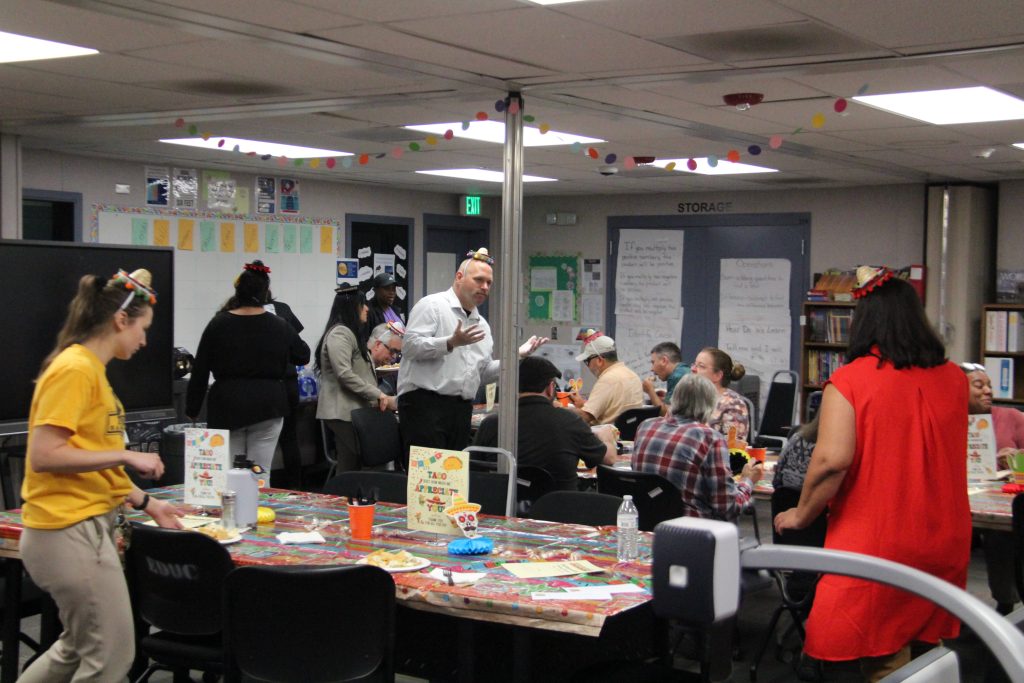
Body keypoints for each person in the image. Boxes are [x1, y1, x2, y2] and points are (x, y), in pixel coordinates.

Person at [774, 267, 969, 681]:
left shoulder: (850, 380)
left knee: (842, 644)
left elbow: (831, 462)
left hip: (878, 541)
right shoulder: (955, 379)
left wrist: (801, 514)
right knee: (923, 647)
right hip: (944, 536)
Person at [19, 268, 183, 682]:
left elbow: (90, 461)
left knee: (76, 648)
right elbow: (44, 455)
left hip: (83, 527)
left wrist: (149, 502)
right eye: (142, 328)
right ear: (120, 321)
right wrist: (127, 454)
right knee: (110, 655)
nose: (145, 340)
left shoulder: (91, 371)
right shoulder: (75, 369)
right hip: (66, 531)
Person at [397, 248, 546, 452]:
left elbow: (482, 373)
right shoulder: (432, 306)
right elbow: (410, 348)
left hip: (461, 409)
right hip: (425, 406)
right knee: (428, 481)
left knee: (453, 479)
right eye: (479, 280)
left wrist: (517, 356)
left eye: (489, 283)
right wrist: (449, 343)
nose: (485, 287)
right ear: (459, 277)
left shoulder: (481, 324)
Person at [186, 261, 310, 484]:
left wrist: (192, 408)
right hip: (268, 404)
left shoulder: (218, 324)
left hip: (227, 405)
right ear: (265, 293)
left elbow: (201, 368)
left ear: (238, 291)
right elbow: (303, 355)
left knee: (229, 475)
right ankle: (259, 513)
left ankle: (231, 515)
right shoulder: (279, 325)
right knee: (259, 474)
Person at [473, 356, 617, 491]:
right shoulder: (570, 422)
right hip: (556, 512)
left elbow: (473, 468)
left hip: (502, 508)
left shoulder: (491, 424)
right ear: (550, 388)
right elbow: (609, 459)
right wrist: (606, 436)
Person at [632, 373, 762, 520]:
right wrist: (747, 481)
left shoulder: (645, 426)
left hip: (646, 522)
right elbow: (728, 508)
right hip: (691, 530)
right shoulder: (710, 438)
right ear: (710, 405)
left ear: (674, 398)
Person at [962, 361, 1024, 615]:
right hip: (963, 496)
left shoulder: (1011, 417)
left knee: (1001, 536)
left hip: (1002, 499)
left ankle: (1005, 601)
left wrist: (1018, 455)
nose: (988, 390)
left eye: (989, 385)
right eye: (979, 385)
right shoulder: (948, 420)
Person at [316, 285, 397, 472]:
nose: (367, 309)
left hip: (351, 409)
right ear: (352, 307)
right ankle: (347, 497)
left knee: (350, 461)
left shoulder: (350, 333)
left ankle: (348, 497)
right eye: (363, 305)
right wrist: (378, 394)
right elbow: (344, 374)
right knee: (356, 459)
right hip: (341, 410)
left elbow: (358, 370)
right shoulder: (340, 333)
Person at [264, 291, 305, 489]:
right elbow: (299, 347)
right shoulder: (283, 309)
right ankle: (295, 488)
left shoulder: (240, 313)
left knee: (259, 441)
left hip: (264, 386)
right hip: (287, 382)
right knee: (289, 438)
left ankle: (259, 489)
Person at [568, 330, 644, 425]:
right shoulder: (633, 375)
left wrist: (556, 408)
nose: (589, 367)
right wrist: (583, 405)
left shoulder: (608, 380)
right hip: (628, 436)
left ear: (599, 360)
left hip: (606, 436)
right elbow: (615, 410)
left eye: (587, 361)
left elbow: (585, 417)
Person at [690, 347, 749, 442]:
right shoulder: (691, 396)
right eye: (694, 364)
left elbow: (733, 447)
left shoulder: (733, 404)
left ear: (717, 375)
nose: (693, 369)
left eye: (701, 366)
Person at [771, 412, 820, 493]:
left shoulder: (797, 436)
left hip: (782, 498)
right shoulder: (834, 446)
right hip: (813, 501)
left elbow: (778, 473)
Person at [642, 341, 689, 416]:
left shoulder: (675, 377)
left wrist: (650, 391)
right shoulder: (684, 369)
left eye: (653, 362)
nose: (652, 369)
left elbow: (666, 414)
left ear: (664, 361)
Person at [368, 321, 403, 396]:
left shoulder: (386, 370)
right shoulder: (359, 363)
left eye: (397, 353)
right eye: (392, 351)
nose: (394, 357)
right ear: (377, 345)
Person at [366, 271, 405, 336]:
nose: (392, 292)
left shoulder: (395, 310)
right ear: (376, 290)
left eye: (393, 289)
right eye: (387, 288)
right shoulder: (369, 312)